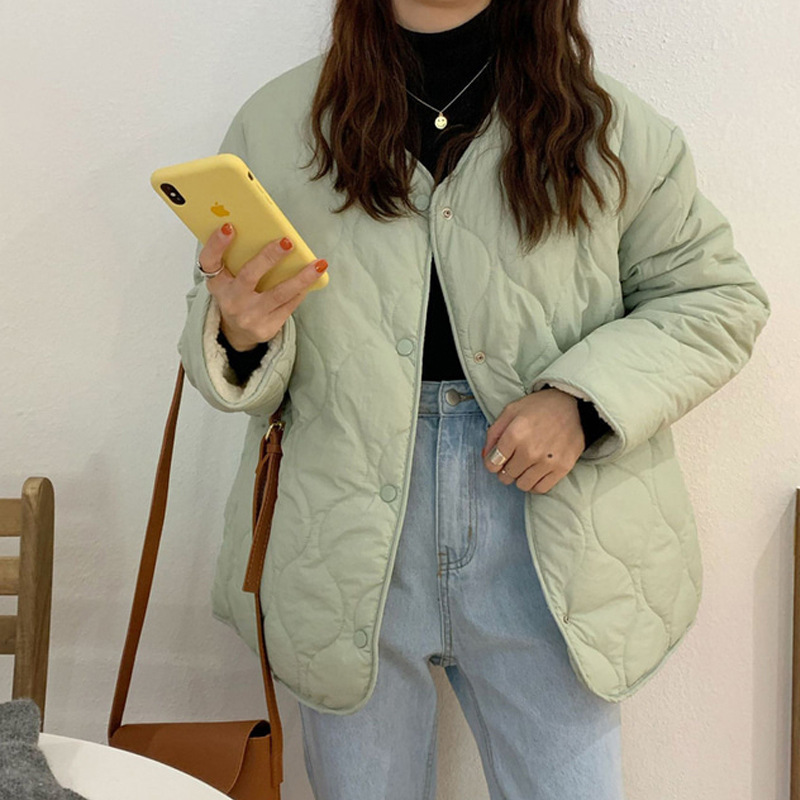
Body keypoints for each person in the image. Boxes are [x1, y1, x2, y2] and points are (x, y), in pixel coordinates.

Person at [178, 1, 771, 797]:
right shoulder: (278, 123)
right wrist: (239, 333)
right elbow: (226, 334)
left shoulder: (607, 125)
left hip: (551, 527)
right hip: (338, 525)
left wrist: (582, 402)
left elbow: (715, 299)